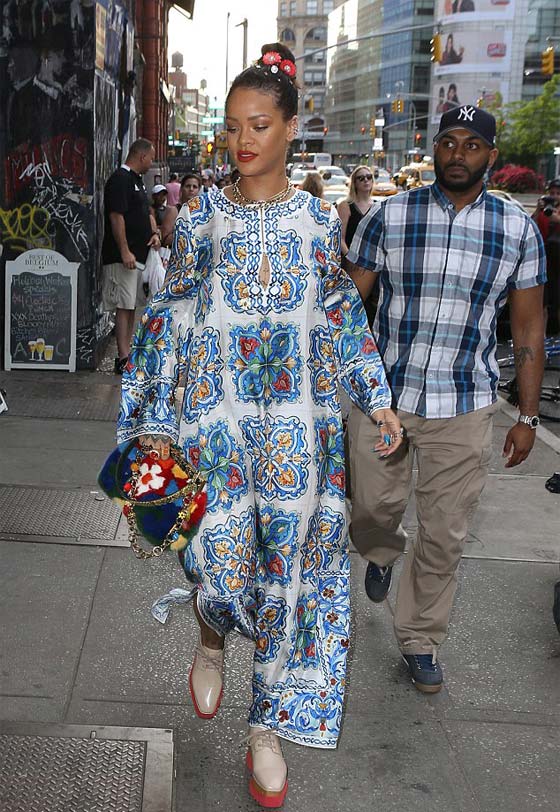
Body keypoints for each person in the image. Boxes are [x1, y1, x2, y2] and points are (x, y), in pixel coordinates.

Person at [117, 41, 402, 808]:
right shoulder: (202, 221)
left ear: (290, 129)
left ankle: (264, 728)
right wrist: (150, 427)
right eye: (234, 126)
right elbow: (165, 324)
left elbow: (340, 314)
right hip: (214, 429)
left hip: (297, 438)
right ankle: (210, 635)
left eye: (260, 124)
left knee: (287, 579)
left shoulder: (317, 222)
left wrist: (374, 394)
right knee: (214, 562)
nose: (243, 139)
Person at [344, 106, 546, 695]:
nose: (458, 154)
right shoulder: (388, 215)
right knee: (371, 510)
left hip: (465, 402)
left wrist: (528, 415)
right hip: (385, 397)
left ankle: (420, 638)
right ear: (434, 149)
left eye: (472, 144)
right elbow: (348, 304)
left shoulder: (518, 230)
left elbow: (528, 326)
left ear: (491, 155)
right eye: (449, 142)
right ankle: (381, 552)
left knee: (444, 533)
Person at [102, 138, 161, 374]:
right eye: (151, 158)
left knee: (131, 305)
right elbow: (116, 217)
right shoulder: (120, 179)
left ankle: (128, 352)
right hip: (123, 257)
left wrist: (154, 233)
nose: (151, 163)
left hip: (139, 256)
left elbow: (145, 212)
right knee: (123, 305)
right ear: (142, 156)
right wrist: (124, 250)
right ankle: (123, 356)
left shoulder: (137, 181)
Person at [532, 178, 560, 334]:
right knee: (542, 302)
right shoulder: (544, 212)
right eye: (552, 193)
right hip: (545, 260)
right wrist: (538, 210)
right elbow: (530, 225)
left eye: (558, 193)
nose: (554, 196)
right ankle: (541, 337)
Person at [337, 166, 375, 258]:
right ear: (354, 183)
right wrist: (350, 258)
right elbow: (339, 238)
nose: (366, 180)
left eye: (369, 177)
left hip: (372, 259)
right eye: (361, 178)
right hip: (350, 259)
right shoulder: (345, 205)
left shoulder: (378, 206)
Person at [160, 173, 203, 247]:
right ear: (182, 188)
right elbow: (165, 239)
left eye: (194, 187)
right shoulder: (174, 210)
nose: (191, 189)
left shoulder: (202, 212)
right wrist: (186, 235)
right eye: (188, 186)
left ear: (198, 190)